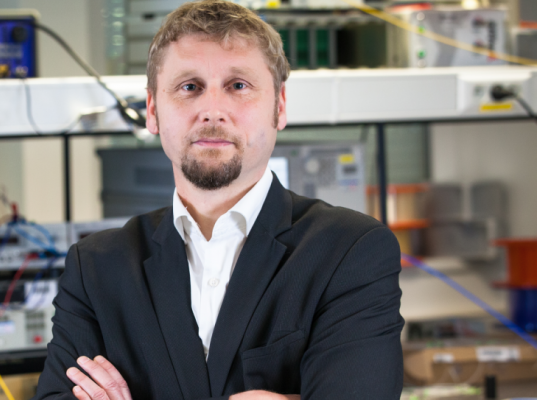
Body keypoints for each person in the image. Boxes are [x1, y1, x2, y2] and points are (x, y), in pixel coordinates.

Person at [34, 1, 404, 399]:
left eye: (238, 86)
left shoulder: (349, 252)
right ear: (154, 111)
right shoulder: (95, 270)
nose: (212, 111)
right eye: (189, 87)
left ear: (278, 107)